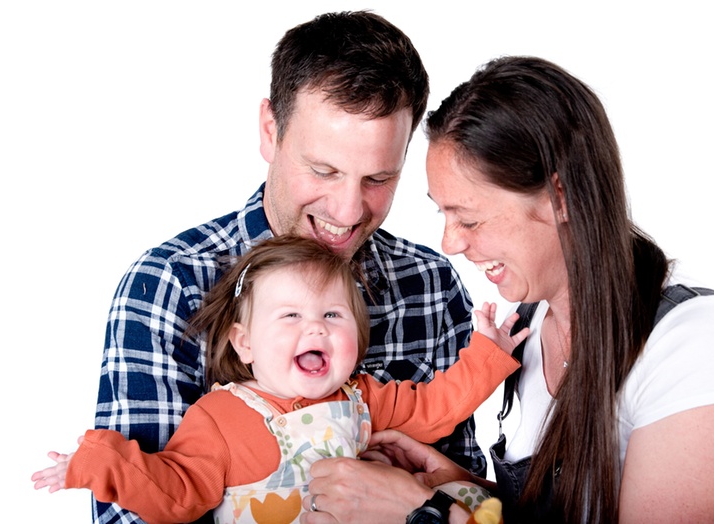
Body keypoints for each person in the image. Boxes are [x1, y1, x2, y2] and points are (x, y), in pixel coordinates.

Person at [300, 56, 714, 523]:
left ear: (560, 197)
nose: (450, 243)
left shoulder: (697, 347)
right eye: (442, 215)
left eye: (469, 218)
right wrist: (457, 485)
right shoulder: (527, 333)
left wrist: (422, 513)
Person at [90, 12, 491, 523]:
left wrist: (416, 506)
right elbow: (134, 513)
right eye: (324, 170)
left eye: (378, 178)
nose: (348, 212)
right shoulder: (170, 285)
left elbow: (484, 505)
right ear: (270, 130)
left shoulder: (429, 285)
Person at [32, 235, 523, 524]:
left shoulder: (363, 398)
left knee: (473, 501)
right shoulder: (221, 419)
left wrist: (487, 356)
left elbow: (439, 406)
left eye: (333, 315)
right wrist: (100, 461)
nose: (315, 327)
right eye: (289, 316)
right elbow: (175, 491)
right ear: (244, 344)